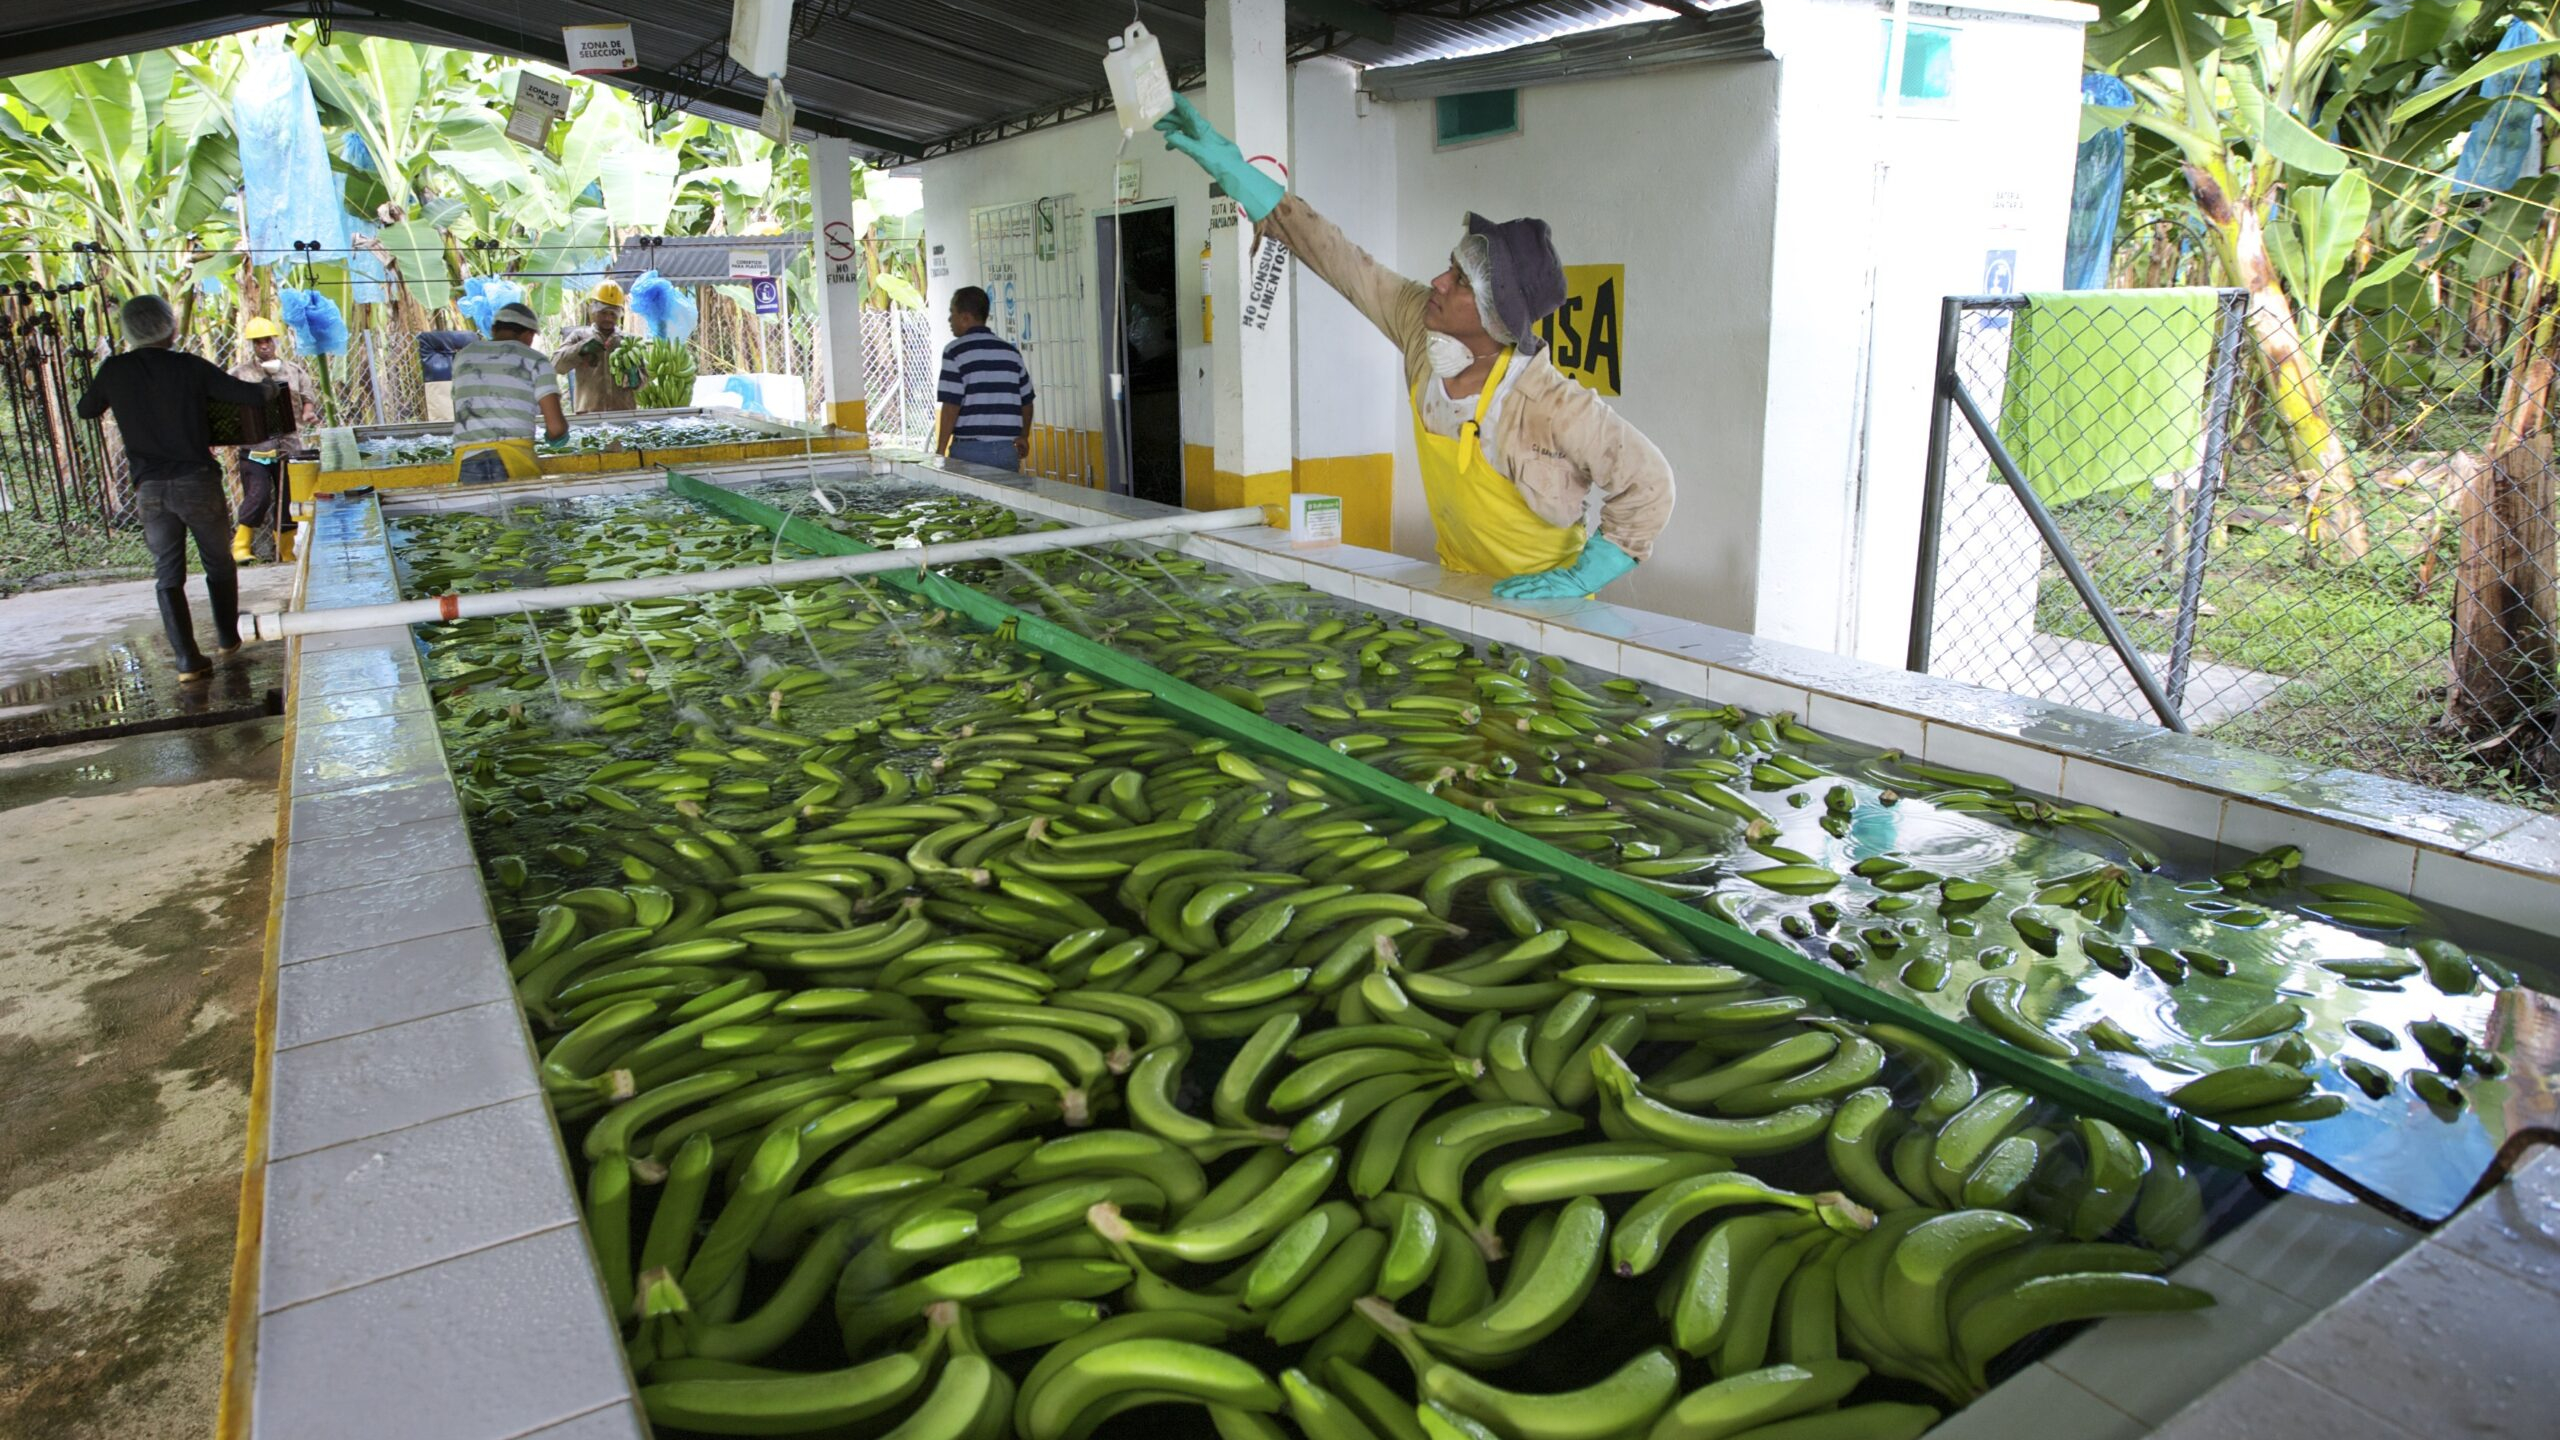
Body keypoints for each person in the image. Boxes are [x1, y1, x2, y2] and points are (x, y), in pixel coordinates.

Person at [1156, 95, 1672, 598]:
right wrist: (1236, 173)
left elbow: (1650, 486)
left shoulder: (1551, 406)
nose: (1439, 282)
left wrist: (1580, 578)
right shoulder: (1421, 332)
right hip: (1458, 584)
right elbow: (1340, 260)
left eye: (1462, 281)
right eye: (1450, 266)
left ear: (1499, 317)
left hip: (1544, 603)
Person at [74, 296, 278, 680]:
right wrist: (271, 384)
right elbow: (250, 395)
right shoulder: (188, 367)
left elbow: (86, 409)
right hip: (195, 481)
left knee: (168, 573)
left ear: (130, 331)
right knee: (217, 560)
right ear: (170, 327)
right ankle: (227, 637)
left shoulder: (114, 369)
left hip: (149, 488)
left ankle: (187, 661)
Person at [229, 316, 321, 564]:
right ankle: (240, 546)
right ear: (252, 345)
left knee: (288, 498)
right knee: (258, 495)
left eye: (267, 340)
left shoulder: (293, 371)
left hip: (288, 446)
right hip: (255, 447)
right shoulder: (239, 374)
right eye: (258, 342)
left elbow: (307, 398)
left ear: (275, 341)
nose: (263, 346)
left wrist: (308, 412)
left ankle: (286, 550)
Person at [450, 302, 569, 485]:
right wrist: (556, 439)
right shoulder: (536, 360)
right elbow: (556, 427)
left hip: (467, 458)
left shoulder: (463, 356)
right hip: (514, 457)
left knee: (478, 513)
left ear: (495, 329)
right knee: (523, 512)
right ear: (529, 334)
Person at [935, 286, 1036, 473]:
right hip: (1007, 451)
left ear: (965, 318)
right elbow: (1027, 401)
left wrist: (940, 450)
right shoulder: (1011, 353)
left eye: (952, 313)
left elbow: (951, 406)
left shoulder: (955, 352)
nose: (950, 320)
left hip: (969, 451)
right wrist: (1023, 436)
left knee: (968, 502)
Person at [552, 281, 644, 415]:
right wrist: (580, 349)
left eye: (612, 314)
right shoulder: (579, 336)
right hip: (589, 417)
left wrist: (635, 376)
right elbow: (556, 365)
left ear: (619, 314)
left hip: (622, 418)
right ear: (593, 310)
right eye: (603, 312)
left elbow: (642, 382)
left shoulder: (627, 343)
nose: (608, 318)